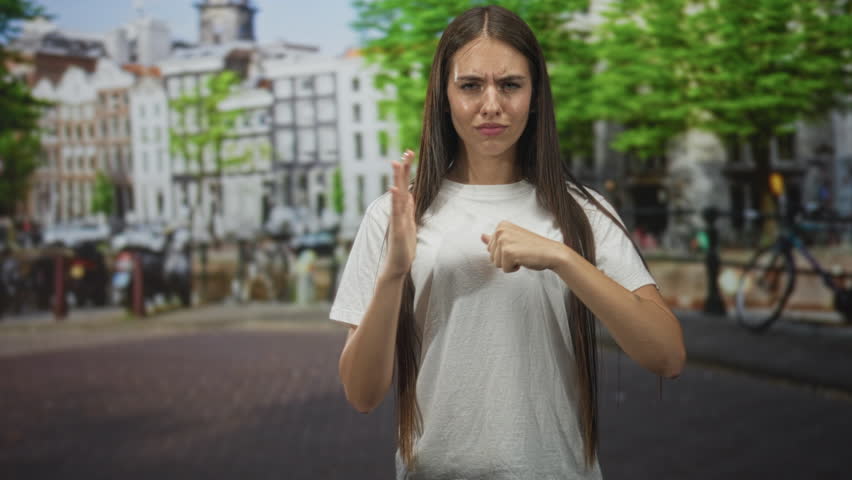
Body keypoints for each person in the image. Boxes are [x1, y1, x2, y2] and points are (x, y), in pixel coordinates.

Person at [331, 6, 686, 479]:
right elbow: (362, 394)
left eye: (511, 85)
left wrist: (563, 258)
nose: (491, 104)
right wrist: (394, 272)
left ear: (535, 95)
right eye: (471, 85)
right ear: (444, 96)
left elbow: (667, 355)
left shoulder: (583, 212)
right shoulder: (396, 216)